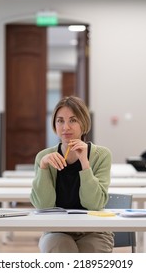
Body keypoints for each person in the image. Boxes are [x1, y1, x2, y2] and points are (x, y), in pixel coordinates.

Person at [30, 96, 114, 253]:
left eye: (73, 120)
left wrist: (85, 163)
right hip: (57, 230)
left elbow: (95, 205)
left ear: (84, 123)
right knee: (62, 250)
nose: (65, 127)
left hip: (94, 231)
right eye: (60, 121)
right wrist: (43, 167)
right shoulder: (44, 157)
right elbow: (43, 206)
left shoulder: (102, 155)